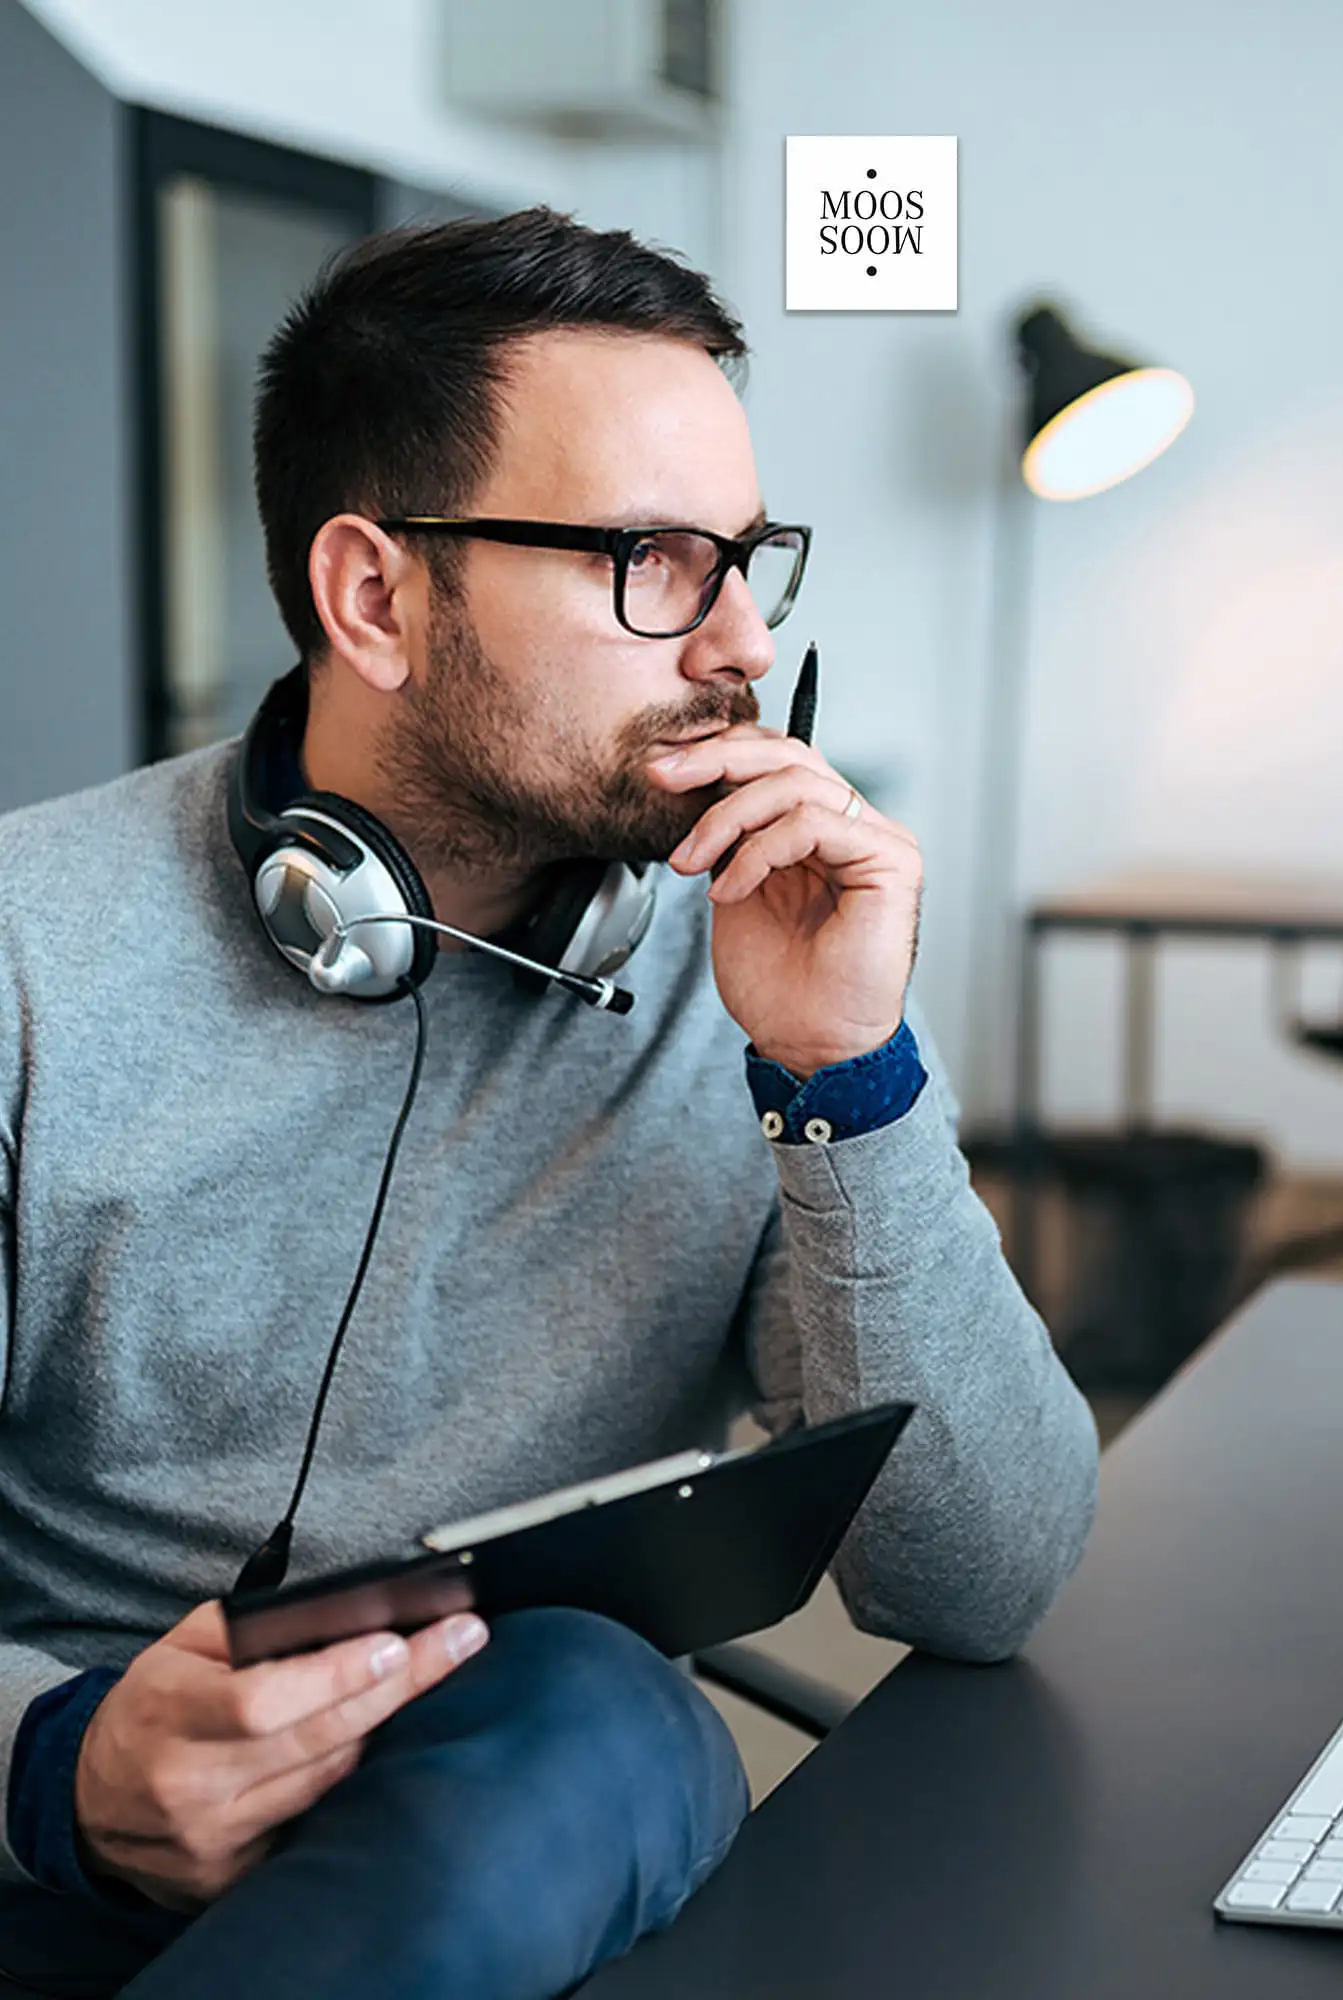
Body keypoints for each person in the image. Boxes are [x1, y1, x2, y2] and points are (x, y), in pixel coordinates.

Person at [0, 208, 1099, 1998]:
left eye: (748, 559)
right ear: (375, 597)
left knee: (601, 1701)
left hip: (501, 1828)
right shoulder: (27, 956)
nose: (740, 640)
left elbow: (986, 1577)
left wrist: (848, 1080)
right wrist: (56, 1766)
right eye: (654, 561)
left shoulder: (757, 965)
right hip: (52, 1852)